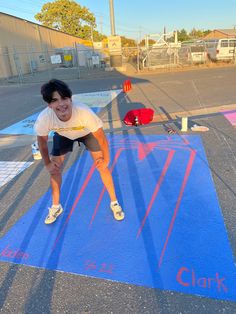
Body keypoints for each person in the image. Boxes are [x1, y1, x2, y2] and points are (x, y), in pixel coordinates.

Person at [34, 79, 125, 224]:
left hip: (86, 133)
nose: (61, 104)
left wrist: (106, 160)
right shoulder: (45, 118)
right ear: (49, 105)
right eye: (55, 101)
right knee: (54, 170)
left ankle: (114, 202)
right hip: (63, 135)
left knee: (102, 166)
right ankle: (56, 206)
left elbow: (101, 137)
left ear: (70, 98)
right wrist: (47, 164)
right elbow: (42, 142)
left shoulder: (83, 112)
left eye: (64, 98)